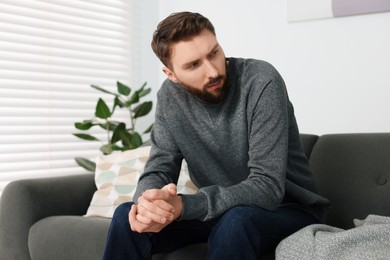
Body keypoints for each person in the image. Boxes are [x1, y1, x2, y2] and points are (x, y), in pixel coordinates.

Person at [102, 11, 330, 260]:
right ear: (171, 75)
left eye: (214, 53)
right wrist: (147, 204)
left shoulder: (261, 81)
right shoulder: (169, 97)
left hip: (287, 209)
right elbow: (160, 166)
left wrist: (185, 206)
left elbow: (267, 187)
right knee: (127, 216)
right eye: (193, 65)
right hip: (222, 212)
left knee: (237, 219)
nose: (212, 71)